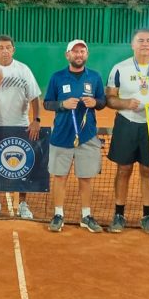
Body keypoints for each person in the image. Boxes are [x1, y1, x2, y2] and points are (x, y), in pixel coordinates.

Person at [105, 28, 149, 234]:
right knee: (123, 169)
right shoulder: (120, 68)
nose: (145, 44)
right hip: (126, 123)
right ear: (133, 44)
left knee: (148, 170)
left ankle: (147, 215)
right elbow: (110, 98)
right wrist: (125, 103)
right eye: (141, 40)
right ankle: (119, 214)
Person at [43, 40, 106, 232]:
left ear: (86, 54)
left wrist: (95, 102)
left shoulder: (94, 77)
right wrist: (62, 104)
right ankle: (58, 214)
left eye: (82, 51)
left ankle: (86, 216)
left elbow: (102, 101)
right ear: (67, 55)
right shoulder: (57, 77)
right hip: (61, 136)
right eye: (75, 51)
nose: (79, 55)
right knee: (60, 177)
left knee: (85, 178)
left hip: (87, 136)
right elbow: (47, 103)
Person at [0, 35, 42, 220]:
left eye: (8, 47)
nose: (4, 51)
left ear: (13, 50)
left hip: (20, 125)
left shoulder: (23, 70)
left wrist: (36, 119)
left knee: (23, 166)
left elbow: (34, 97)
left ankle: (22, 203)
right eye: (0, 47)